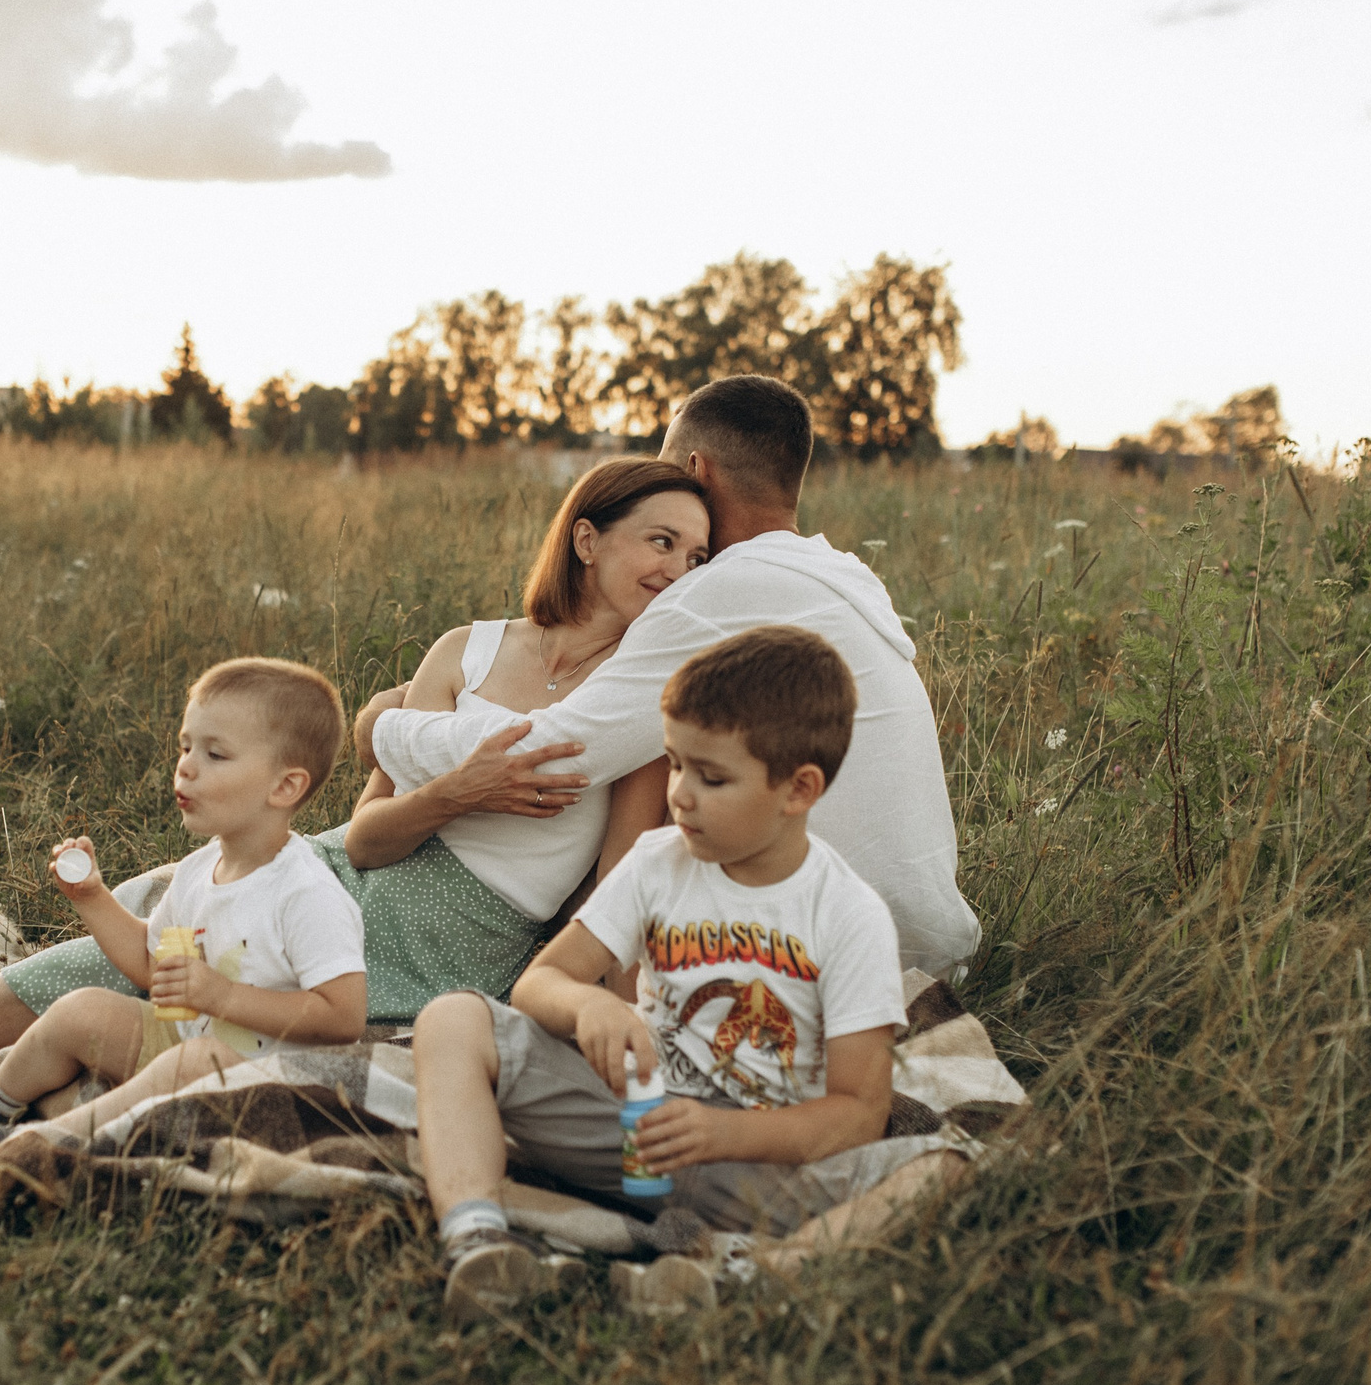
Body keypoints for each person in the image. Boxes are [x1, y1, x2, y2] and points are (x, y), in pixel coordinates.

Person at [0, 460, 713, 1104]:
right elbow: (368, 833)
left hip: (460, 929)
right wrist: (461, 788)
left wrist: (608, 1024)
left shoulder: (637, 714)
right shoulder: (470, 646)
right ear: (588, 537)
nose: (678, 567)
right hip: (349, 866)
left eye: (697, 554)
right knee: (156, 908)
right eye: (659, 540)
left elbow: (610, 890)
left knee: (205, 975)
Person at [415, 627, 969, 1320]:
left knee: (945, 1165)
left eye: (711, 777)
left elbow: (858, 1112)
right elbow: (541, 982)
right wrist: (589, 1008)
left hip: (758, 1166)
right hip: (629, 1130)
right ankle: (477, 1242)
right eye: (674, 764)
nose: (679, 794)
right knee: (452, 1017)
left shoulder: (849, 913)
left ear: (798, 788)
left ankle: (756, 1276)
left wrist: (721, 1134)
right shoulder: (657, 863)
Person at [362, 374, 980, 980]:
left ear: (697, 470)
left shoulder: (711, 593)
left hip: (813, 949)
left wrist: (383, 728)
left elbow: (551, 761)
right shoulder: (843, 577)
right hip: (926, 945)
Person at [0, 657, 369, 1162]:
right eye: (185, 746)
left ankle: (26, 1149)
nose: (187, 765)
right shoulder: (200, 869)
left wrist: (224, 995)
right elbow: (151, 965)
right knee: (80, 1009)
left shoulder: (306, 893)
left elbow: (344, 1016)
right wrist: (92, 896)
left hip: (270, 1079)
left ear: (285, 786)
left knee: (197, 1059)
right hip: (187, 1045)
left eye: (216, 754)